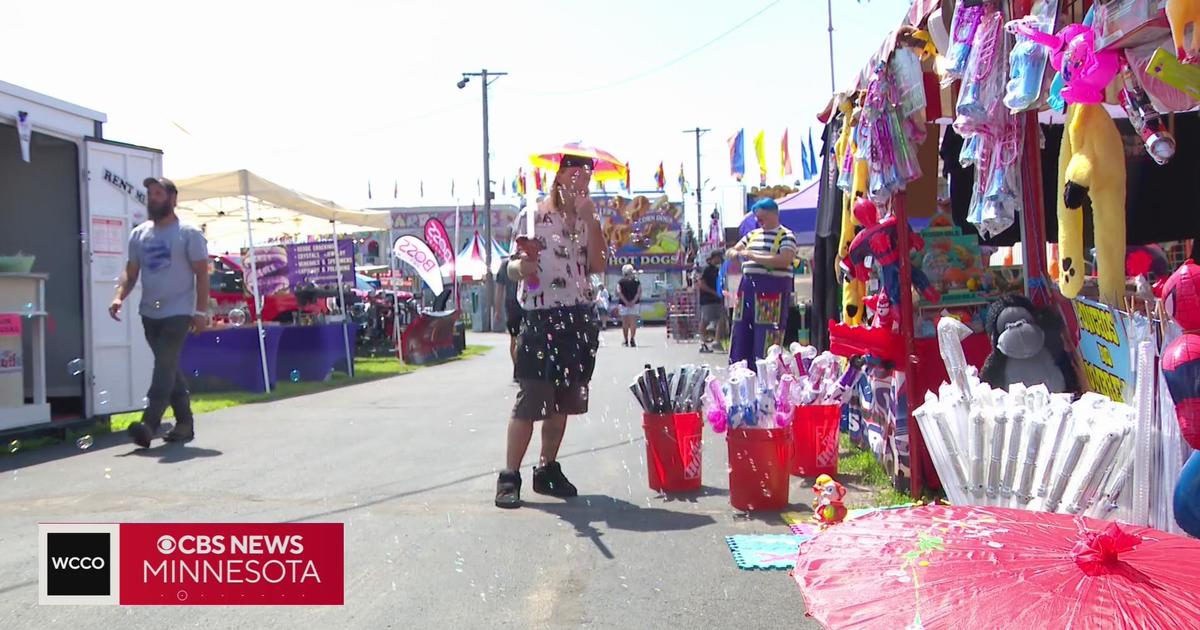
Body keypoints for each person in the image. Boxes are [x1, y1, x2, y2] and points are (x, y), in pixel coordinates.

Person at [496, 154, 605, 509]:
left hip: (577, 316)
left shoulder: (589, 217)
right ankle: (509, 476)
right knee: (531, 400)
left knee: (563, 401)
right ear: (558, 176)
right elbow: (510, 268)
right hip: (540, 316)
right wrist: (522, 265)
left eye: (585, 178)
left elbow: (599, 265)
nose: (579, 183)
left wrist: (591, 221)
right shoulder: (532, 215)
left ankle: (546, 470)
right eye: (573, 175)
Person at [109, 177, 209, 448]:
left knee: (164, 365)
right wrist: (119, 297)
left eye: (159, 193)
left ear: (173, 199)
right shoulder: (139, 234)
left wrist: (200, 312)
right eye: (150, 194)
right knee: (170, 367)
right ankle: (184, 423)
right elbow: (131, 274)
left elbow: (202, 274)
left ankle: (149, 423)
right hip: (149, 314)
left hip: (179, 312)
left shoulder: (188, 233)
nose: (153, 198)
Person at [726, 197, 797, 367]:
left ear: (773, 214)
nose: (758, 220)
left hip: (771, 291)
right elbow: (732, 250)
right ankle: (739, 370)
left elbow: (784, 259)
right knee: (741, 332)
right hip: (747, 290)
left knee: (767, 336)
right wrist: (735, 253)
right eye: (757, 217)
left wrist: (752, 256)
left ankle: (765, 376)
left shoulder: (786, 235)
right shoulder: (752, 235)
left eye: (761, 216)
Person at [496, 257, 523, 365]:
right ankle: (519, 367)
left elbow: (499, 289)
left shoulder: (505, 264)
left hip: (511, 305)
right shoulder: (527, 261)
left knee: (514, 339)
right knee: (520, 338)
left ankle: (517, 368)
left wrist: (498, 310)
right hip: (523, 304)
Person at [698, 251, 726, 353]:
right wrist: (713, 292)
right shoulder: (706, 269)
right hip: (707, 299)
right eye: (719, 257)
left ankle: (717, 341)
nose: (720, 260)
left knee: (721, 319)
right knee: (705, 320)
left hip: (717, 299)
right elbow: (701, 284)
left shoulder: (717, 270)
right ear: (714, 257)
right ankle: (702, 343)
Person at [617, 265, 642, 347]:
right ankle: (632, 339)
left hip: (623, 304)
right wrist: (633, 302)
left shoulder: (620, 282)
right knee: (633, 322)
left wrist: (626, 302)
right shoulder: (637, 281)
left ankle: (625, 340)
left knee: (625, 323)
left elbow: (619, 292)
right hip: (635, 304)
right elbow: (639, 292)